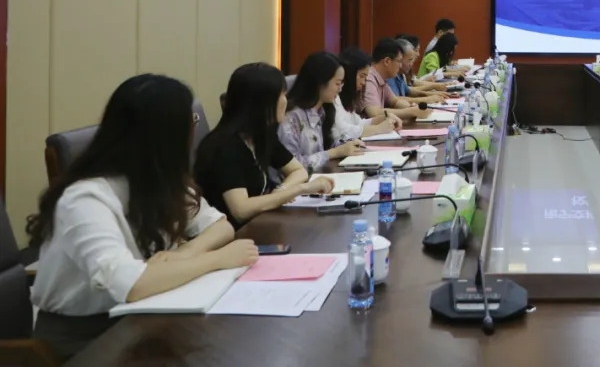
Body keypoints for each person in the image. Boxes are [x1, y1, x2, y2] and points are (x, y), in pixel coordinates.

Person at [28, 75, 258, 359]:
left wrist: (184, 254)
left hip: (149, 311)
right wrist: (217, 259)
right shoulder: (84, 198)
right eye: (191, 122)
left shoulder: (162, 180)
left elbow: (221, 227)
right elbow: (132, 285)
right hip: (86, 335)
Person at [195, 63, 334, 227]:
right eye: (282, 95)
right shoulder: (224, 146)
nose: (286, 101)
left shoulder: (261, 134)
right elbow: (240, 210)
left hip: (257, 225)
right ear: (262, 102)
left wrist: (281, 192)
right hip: (232, 234)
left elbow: (298, 170)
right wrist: (299, 189)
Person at [279, 52, 364, 172]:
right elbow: (293, 166)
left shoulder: (321, 112)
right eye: (337, 83)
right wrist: (333, 153)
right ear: (320, 82)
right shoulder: (292, 117)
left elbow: (324, 147)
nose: (340, 89)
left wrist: (346, 145)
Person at [336, 48, 402, 140]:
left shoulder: (348, 99)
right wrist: (378, 129)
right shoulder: (334, 97)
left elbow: (358, 123)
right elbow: (343, 132)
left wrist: (383, 118)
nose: (363, 83)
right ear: (349, 74)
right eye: (361, 76)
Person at [362, 38, 433, 122]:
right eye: (399, 61)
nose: (400, 66)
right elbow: (374, 113)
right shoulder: (369, 78)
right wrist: (410, 112)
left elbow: (394, 101)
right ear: (387, 61)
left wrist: (411, 107)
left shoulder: (381, 78)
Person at [390, 38, 447, 104]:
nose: (411, 64)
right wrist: (426, 98)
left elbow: (408, 91)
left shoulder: (401, 75)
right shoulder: (389, 77)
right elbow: (395, 99)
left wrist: (430, 94)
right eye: (410, 60)